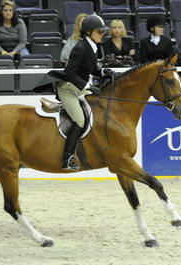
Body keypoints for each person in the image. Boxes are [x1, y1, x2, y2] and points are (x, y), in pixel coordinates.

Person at [58, 14, 116, 171]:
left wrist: (104, 71)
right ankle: (67, 157)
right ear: (89, 32)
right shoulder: (80, 48)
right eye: (100, 32)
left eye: (103, 32)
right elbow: (69, 73)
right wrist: (88, 87)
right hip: (68, 89)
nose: (102, 34)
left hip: (78, 88)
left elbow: (93, 69)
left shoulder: (92, 47)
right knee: (80, 119)